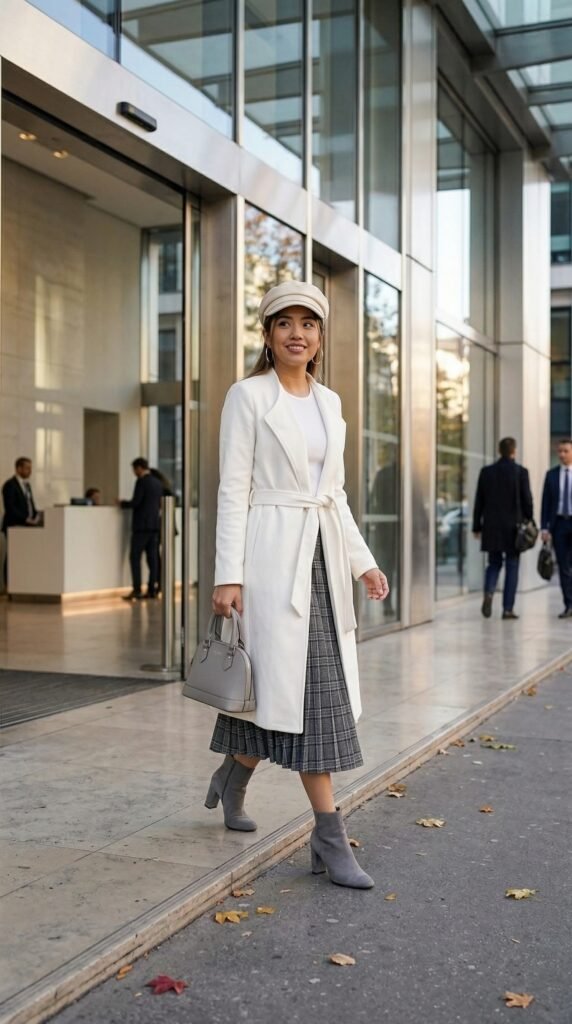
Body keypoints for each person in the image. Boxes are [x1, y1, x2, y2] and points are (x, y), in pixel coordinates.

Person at [205, 281, 389, 890]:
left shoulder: (330, 403)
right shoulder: (247, 396)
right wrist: (228, 574)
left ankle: (236, 776)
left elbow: (332, 495)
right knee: (285, 695)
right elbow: (233, 489)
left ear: (319, 336)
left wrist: (363, 562)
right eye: (284, 322)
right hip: (268, 557)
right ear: (267, 334)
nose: (296, 333)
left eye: (308, 323)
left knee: (305, 697)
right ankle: (330, 839)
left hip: (321, 561)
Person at [472, 437, 533, 620]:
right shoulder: (520, 472)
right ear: (514, 451)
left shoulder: (487, 472)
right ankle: (507, 609)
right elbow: (527, 500)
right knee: (512, 565)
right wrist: (530, 520)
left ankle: (489, 592)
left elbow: (479, 502)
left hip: (491, 526)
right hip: (514, 528)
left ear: (500, 451)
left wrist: (477, 526)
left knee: (493, 563)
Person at [119, 457, 163, 601]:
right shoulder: (157, 482)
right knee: (153, 559)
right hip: (154, 526)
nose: (134, 472)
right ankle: (152, 589)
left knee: (135, 557)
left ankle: (137, 589)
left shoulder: (141, 482)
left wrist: (123, 503)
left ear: (139, 468)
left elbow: (136, 502)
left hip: (141, 527)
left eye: (134, 469)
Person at [541, 438, 572, 618]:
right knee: (563, 566)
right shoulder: (551, 475)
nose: (562, 454)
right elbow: (546, 503)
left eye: (566, 451)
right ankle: (569, 604)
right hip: (559, 524)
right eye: (560, 451)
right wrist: (544, 528)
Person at [2, 457, 40, 585]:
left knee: (24, 556)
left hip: (27, 527)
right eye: (27, 468)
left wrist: (37, 516)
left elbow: (30, 504)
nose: (30, 471)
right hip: (14, 526)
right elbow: (10, 508)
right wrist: (26, 519)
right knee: (12, 556)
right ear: (18, 469)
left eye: (30, 468)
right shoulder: (9, 485)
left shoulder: (27, 485)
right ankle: (9, 584)